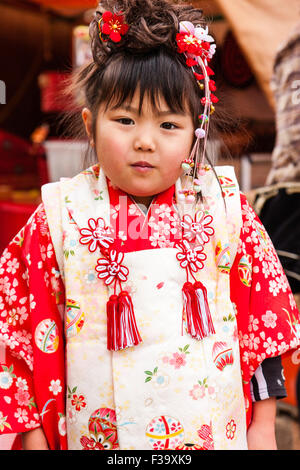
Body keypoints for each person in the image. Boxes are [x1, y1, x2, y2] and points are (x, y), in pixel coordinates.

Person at [0, 0, 299, 451]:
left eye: (168, 124)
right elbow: (22, 331)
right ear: (90, 123)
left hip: (213, 434)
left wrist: (262, 428)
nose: (144, 139)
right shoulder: (59, 218)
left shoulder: (225, 211)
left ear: (197, 131)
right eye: (124, 119)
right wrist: (35, 437)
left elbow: (262, 324)